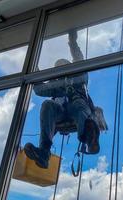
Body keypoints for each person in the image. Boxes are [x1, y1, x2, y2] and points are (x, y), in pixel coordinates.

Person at [24, 30, 100, 169]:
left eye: (63, 66)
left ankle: (89, 138)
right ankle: (44, 152)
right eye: (58, 69)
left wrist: (72, 42)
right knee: (47, 104)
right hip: (61, 114)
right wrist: (33, 66)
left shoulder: (79, 78)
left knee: (77, 103)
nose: (61, 71)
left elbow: (79, 58)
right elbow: (40, 89)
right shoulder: (56, 87)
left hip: (78, 112)